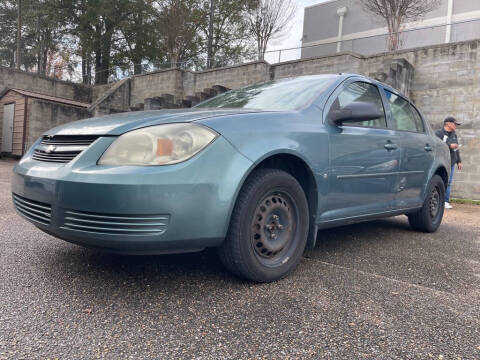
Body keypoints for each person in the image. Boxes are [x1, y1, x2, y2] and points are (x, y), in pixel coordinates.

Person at [435, 116, 463, 209]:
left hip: (451, 161)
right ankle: (438, 201)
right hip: (441, 161)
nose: (456, 126)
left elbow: (456, 149)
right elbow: (437, 144)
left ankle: (445, 201)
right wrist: (449, 145)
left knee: (449, 182)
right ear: (448, 123)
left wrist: (459, 161)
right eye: (455, 124)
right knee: (440, 181)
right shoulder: (438, 133)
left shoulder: (454, 134)